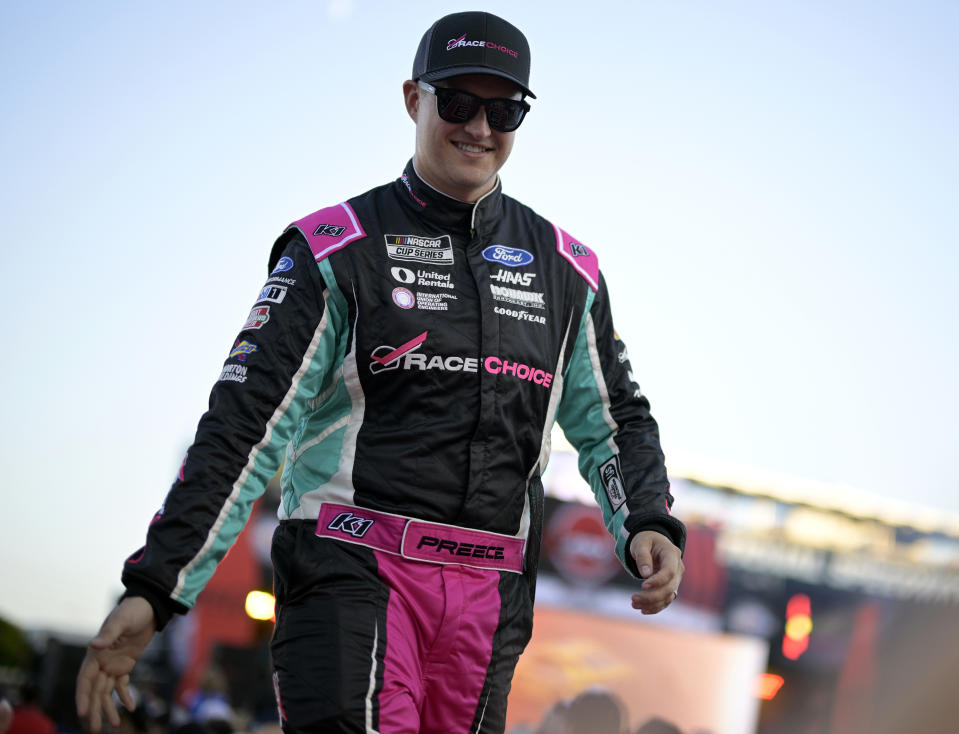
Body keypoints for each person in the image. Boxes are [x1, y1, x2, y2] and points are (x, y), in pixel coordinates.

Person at [75, 11, 685, 734]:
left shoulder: (566, 270)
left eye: (504, 109)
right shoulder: (333, 249)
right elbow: (244, 425)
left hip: (488, 598)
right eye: (457, 102)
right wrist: (158, 585)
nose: (479, 127)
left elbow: (615, 421)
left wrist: (645, 520)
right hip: (349, 574)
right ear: (412, 99)